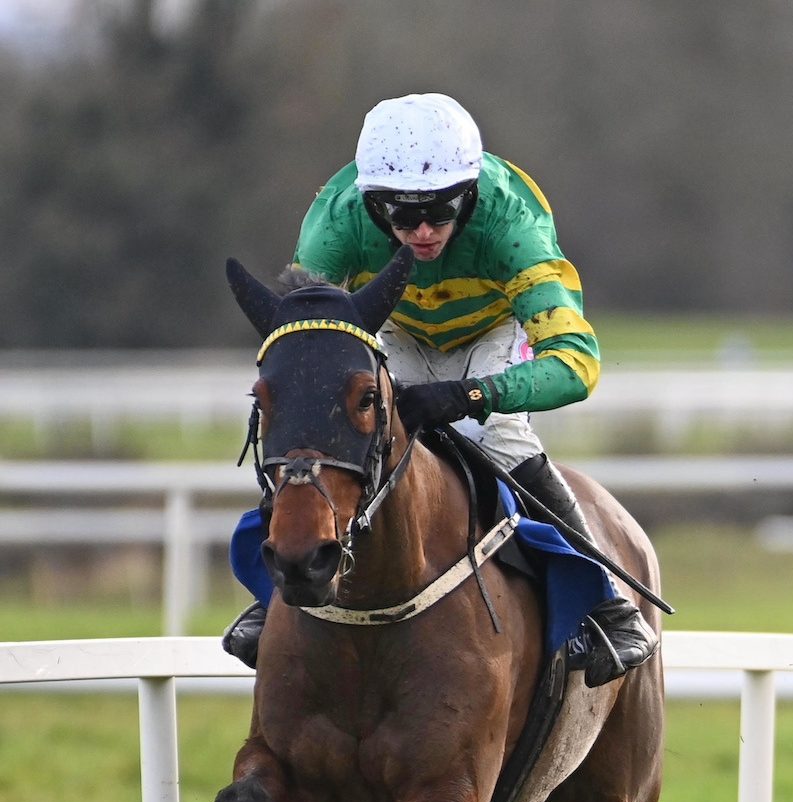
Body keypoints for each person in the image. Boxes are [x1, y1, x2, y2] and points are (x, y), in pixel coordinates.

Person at [222, 92, 655, 685]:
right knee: (327, 427)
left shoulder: (513, 225)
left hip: (493, 330)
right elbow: (309, 351)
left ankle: (607, 605)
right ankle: (275, 592)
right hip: (393, 323)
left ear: (471, 195)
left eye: (444, 210)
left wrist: (469, 396)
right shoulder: (338, 220)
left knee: (498, 437)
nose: (423, 231)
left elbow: (577, 363)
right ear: (372, 205)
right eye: (401, 216)